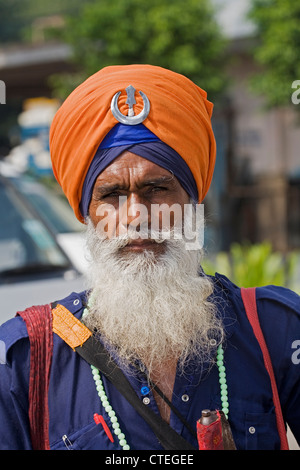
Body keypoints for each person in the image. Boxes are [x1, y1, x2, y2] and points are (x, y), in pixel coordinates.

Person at [0, 64, 299, 451]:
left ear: (193, 202)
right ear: (87, 214)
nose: (137, 215)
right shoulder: (26, 360)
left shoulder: (275, 329)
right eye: (111, 195)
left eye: (157, 188)